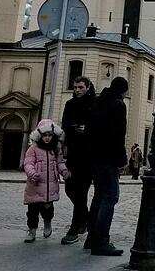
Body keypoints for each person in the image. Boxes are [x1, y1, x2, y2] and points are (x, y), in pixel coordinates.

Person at [85, 77, 129, 256]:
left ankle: (91, 238)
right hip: (109, 158)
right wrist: (121, 161)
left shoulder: (98, 102)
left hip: (94, 157)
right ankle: (101, 241)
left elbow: (89, 130)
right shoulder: (118, 105)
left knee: (98, 196)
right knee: (110, 197)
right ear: (123, 91)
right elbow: (118, 135)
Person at [60, 77, 96, 245]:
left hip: (88, 155)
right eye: (75, 87)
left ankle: (75, 227)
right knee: (69, 188)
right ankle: (86, 217)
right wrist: (73, 130)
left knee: (81, 191)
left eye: (81, 87)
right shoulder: (70, 104)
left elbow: (98, 126)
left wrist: (86, 129)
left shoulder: (94, 104)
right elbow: (65, 125)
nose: (77, 90)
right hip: (73, 153)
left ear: (88, 87)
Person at [23, 120, 71, 243]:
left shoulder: (55, 149)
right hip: (35, 184)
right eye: (45, 135)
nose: (47, 138)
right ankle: (32, 230)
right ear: (39, 136)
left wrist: (64, 172)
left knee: (48, 209)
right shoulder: (33, 149)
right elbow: (28, 163)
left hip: (50, 185)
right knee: (32, 210)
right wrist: (32, 173)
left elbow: (59, 163)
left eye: (50, 135)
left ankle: (47, 222)